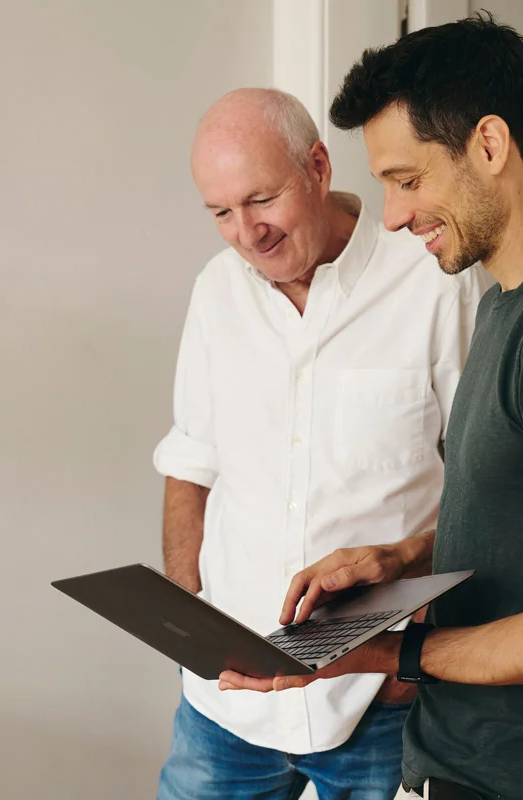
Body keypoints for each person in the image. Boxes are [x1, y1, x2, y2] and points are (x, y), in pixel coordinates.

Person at [218, 16, 523, 800]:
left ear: (491, 145)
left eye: (409, 179)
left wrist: (387, 655)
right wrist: (397, 562)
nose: (394, 215)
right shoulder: (511, 302)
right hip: (465, 768)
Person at [151, 87, 485, 800]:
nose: (247, 233)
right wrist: (185, 628)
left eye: (262, 199)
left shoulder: (432, 281)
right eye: (220, 213)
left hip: (373, 699)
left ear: (319, 166)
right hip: (224, 709)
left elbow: (486, 485)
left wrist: (408, 660)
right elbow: (191, 462)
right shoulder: (216, 292)